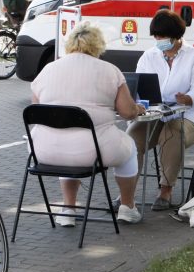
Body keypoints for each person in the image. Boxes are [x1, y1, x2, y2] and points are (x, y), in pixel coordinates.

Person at [30, 21, 144, 225]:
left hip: (44, 150)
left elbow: (37, 109)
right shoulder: (110, 70)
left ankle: (68, 209)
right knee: (130, 147)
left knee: (66, 141)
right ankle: (127, 206)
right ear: (98, 46)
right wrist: (137, 109)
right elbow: (127, 112)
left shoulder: (47, 69)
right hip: (94, 150)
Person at [128, 10, 194, 210]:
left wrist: (188, 98)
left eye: (162, 36)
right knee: (131, 137)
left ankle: (165, 191)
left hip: (190, 116)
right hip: (157, 114)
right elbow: (138, 86)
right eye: (155, 36)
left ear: (175, 35)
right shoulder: (149, 56)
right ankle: (126, 194)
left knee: (172, 133)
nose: (158, 40)